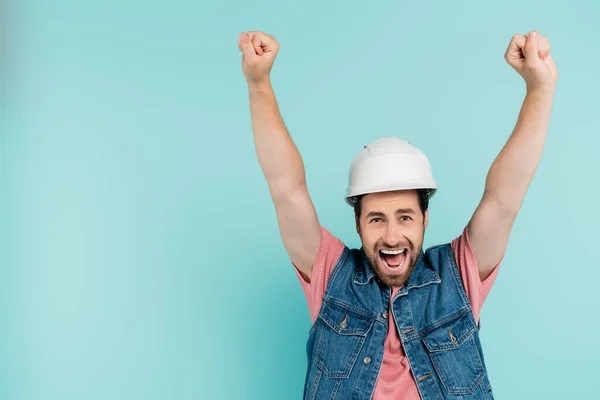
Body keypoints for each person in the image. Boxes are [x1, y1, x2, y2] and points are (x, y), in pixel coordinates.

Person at [238, 29, 557, 400]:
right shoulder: (331, 277)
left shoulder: (457, 278)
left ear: (425, 219)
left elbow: (504, 196)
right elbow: (286, 188)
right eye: (376, 219)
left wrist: (540, 89)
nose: (391, 236)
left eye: (405, 216)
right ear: (357, 223)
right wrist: (258, 82)